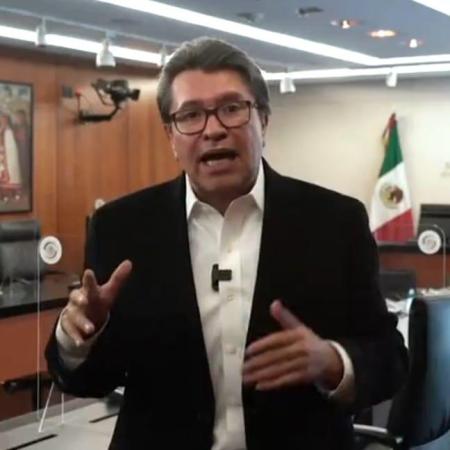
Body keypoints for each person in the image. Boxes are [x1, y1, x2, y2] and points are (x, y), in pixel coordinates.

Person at [46, 37, 408, 450]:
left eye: (232, 108)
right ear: (170, 136)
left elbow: (389, 357)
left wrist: (333, 362)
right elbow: (93, 380)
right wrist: (81, 337)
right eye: (191, 115)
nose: (213, 129)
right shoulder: (122, 227)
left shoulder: (335, 222)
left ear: (263, 121)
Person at [0, 111, 22, 202]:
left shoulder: (10, 130)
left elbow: (12, 145)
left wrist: (6, 152)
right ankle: (4, 195)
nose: (3, 121)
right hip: (1, 155)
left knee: (13, 172)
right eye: (1, 119)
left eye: (4, 119)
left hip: (10, 155)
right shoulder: (1, 129)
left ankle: (15, 193)